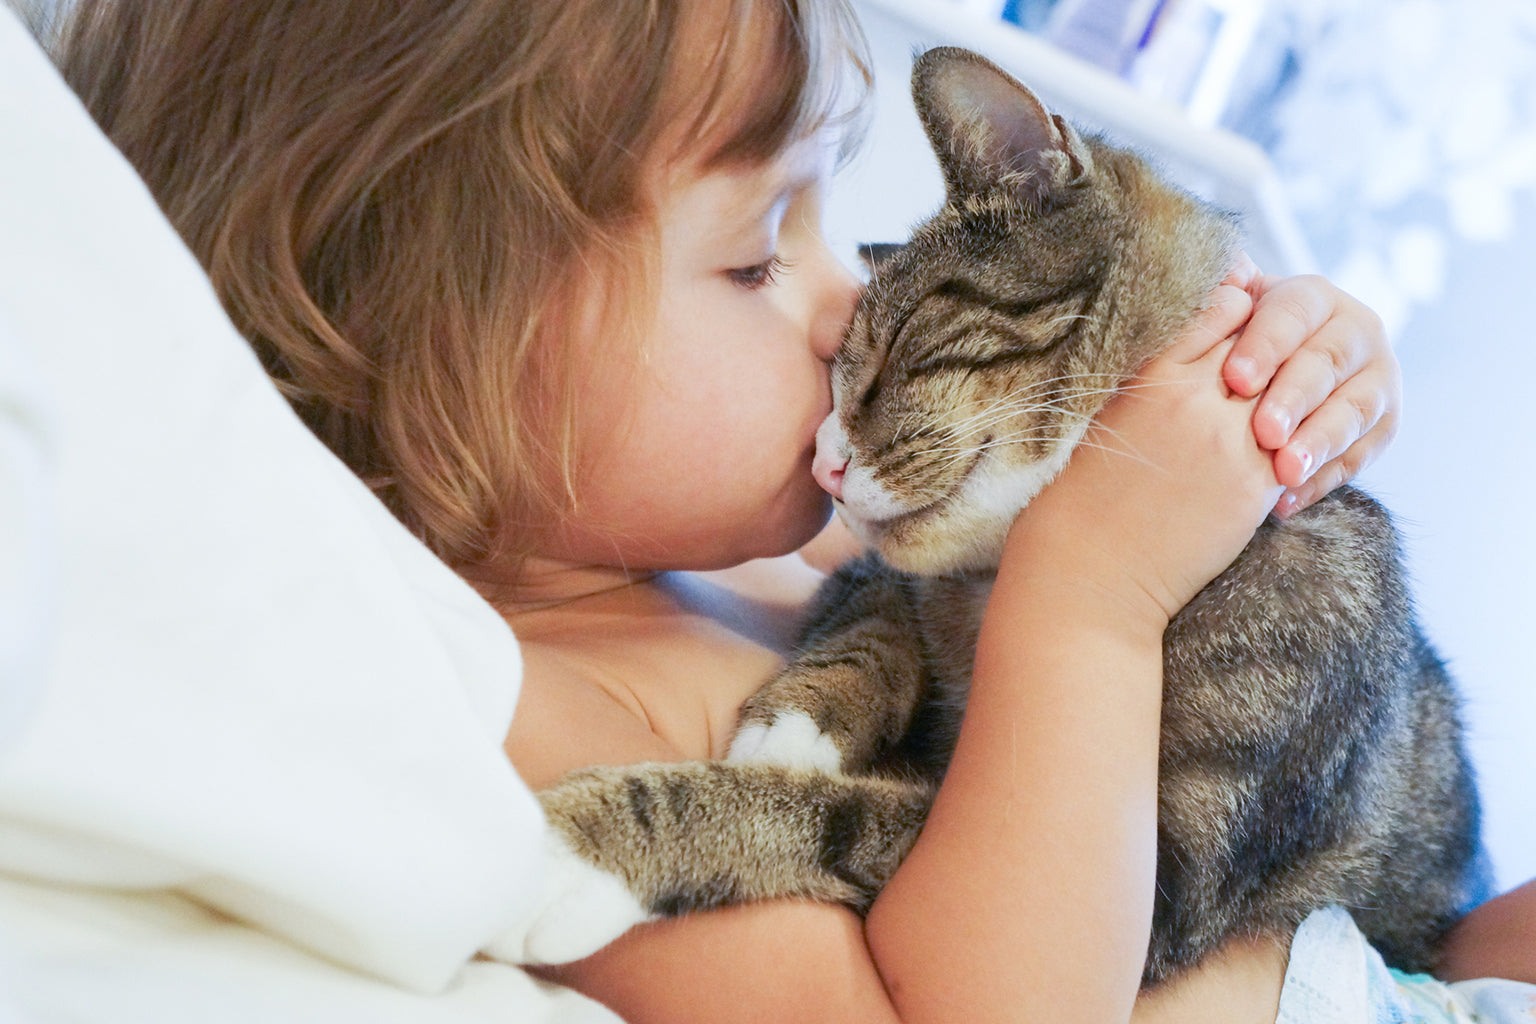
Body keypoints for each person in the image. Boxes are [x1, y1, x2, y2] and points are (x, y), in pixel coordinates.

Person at [48, 1, 1534, 1022]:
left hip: (1394, 937)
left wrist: (1301, 365)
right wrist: (1090, 604)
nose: (852, 308)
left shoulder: (771, 541)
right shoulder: (539, 711)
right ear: (454, 335)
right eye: (762, 257)